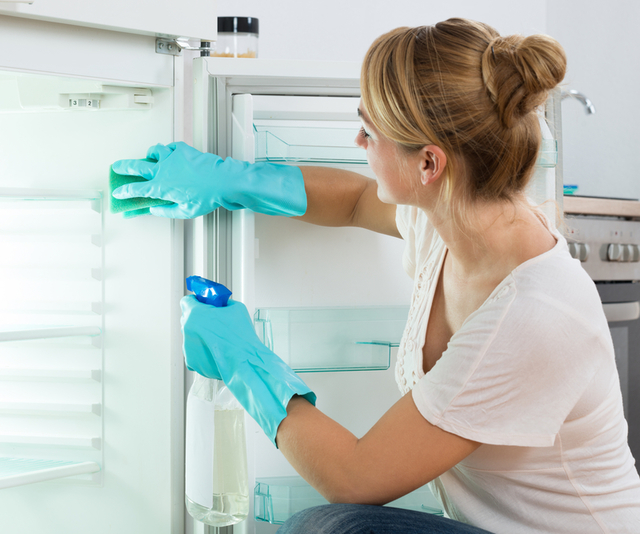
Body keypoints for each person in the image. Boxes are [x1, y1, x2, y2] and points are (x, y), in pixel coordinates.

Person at [112, 18, 640, 534]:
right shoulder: (457, 220)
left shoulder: (532, 314)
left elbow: (356, 477)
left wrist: (243, 362)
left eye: (370, 130)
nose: (359, 141)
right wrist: (234, 181)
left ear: (429, 165)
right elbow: (356, 200)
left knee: (331, 528)